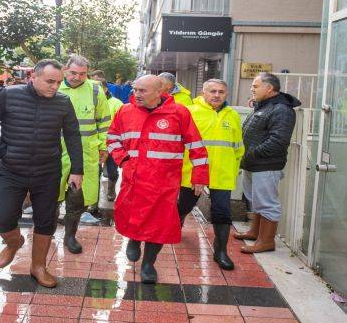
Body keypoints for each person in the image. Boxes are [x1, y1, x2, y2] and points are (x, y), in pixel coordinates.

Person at [0, 59, 83, 288]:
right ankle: (13, 243)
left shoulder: (63, 102)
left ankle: (38, 267)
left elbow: (73, 136)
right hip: (12, 170)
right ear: (33, 77)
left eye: (58, 82)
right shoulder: (9, 95)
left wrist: (77, 170)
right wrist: (2, 152)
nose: (55, 87)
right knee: (4, 218)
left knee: (46, 221)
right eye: (49, 81)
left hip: (47, 171)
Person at [107, 74, 209, 283]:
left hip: (164, 183)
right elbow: (112, 139)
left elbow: (197, 147)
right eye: (135, 89)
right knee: (131, 216)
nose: (136, 94)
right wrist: (124, 161)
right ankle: (134, 239)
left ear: (160, 92)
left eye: (142, 91)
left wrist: (200, 177)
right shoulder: (125, 111)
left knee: (159, 225)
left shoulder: (179, 113)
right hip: (133, 179)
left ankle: (148, 263)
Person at [178, 79, 244, 270]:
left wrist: (235, 165)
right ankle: (178, 219)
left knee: (222, 211)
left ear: (226, 94)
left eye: (221, 92)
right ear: (203, 93)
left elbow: (238, 145)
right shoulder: (190, 112)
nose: (217, 95)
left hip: (222, 172)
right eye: (212, 91)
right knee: (184, 205)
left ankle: (221, 251)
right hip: (193, 171)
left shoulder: (232, 115)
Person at [234, 73, 300, 253]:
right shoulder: (264, 106)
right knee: (256, 200)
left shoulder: (282, 110)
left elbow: (277, 141)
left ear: (269, 88)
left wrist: (251, 155)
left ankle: (267, 241)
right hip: (253, 164)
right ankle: (255, 232)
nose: (252, 89)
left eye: (255, 86)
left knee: (267, 203)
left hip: (266, 165)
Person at [58, 56, 111, 254]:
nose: (77, 77)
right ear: (65, 70)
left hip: (84, 153)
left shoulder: (95, 89)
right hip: (54, 152)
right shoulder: (54, 86)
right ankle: (44, 233)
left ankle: (70, 236)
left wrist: (104, 147)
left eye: (82, 74)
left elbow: (105, 121)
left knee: (76, 198)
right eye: (73, 73)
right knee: (50, 197)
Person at [92, 70, 124, 201]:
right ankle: (93, 199)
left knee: (111, 171)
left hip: (112, 144)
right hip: (94, 143)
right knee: (95, 172)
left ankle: (111, 190)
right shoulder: (91, 102)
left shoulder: (117, 104)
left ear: (105, 89)